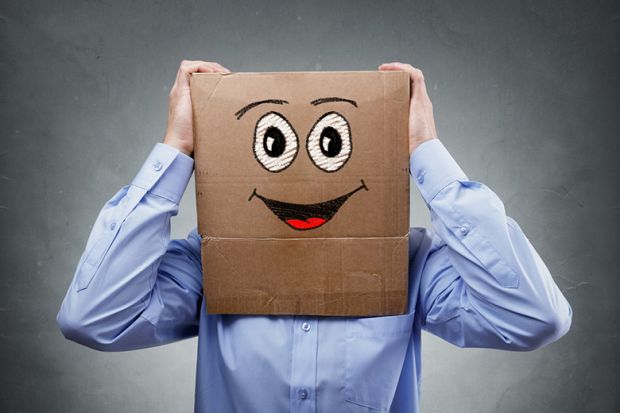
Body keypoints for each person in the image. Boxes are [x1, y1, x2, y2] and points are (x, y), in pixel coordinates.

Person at [57, 60, 572, 412]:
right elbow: (93, 319)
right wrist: (177, 149)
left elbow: (535, 318)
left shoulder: (412, 263)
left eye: (331, 143)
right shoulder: (209, 261)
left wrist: (426, 153)